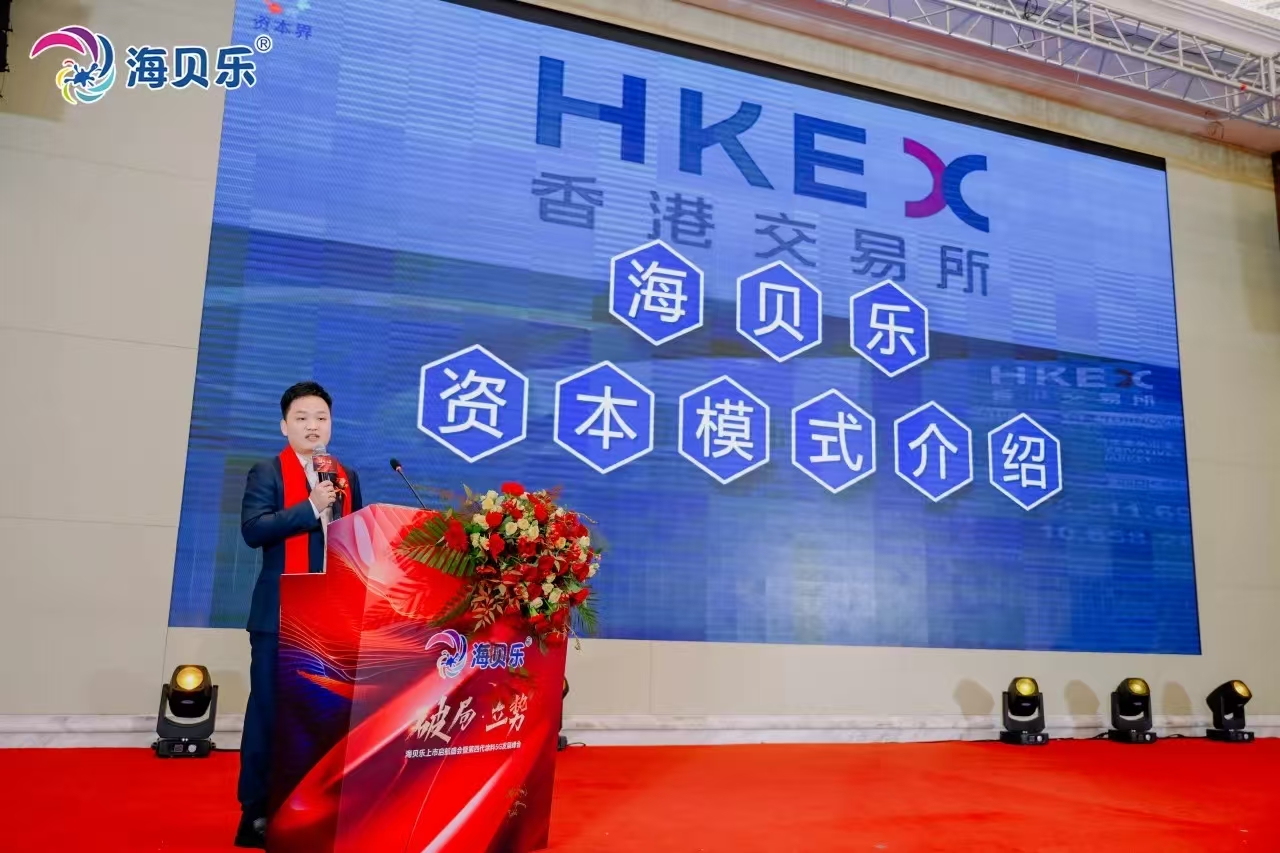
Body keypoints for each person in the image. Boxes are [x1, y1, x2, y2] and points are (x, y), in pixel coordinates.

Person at [234, 381, 363, 849]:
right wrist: (310, 508)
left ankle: (316, 805)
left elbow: (357, 536)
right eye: (303, 418)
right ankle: (257, 811)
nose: (313, 426)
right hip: (278, 615)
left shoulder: (345, 476)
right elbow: (254, 530)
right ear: (284, 425)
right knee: (269, 713)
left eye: (321, 418)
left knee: (323, 715)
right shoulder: (267, 472)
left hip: (331, 615)